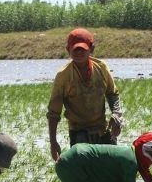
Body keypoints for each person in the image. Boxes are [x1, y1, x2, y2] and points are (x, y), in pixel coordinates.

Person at [47, 28, 123, 162]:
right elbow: (53, 113)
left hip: (103, 129)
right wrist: (53, 143)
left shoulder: (101, 68)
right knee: (86, 172)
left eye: (83, 49)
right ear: (68, 50)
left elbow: (112, 94)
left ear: (91, 49)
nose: (79, 53)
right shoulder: (63, 76)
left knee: (111, 170)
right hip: (79, 132)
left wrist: (116, 114)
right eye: (75, 49)